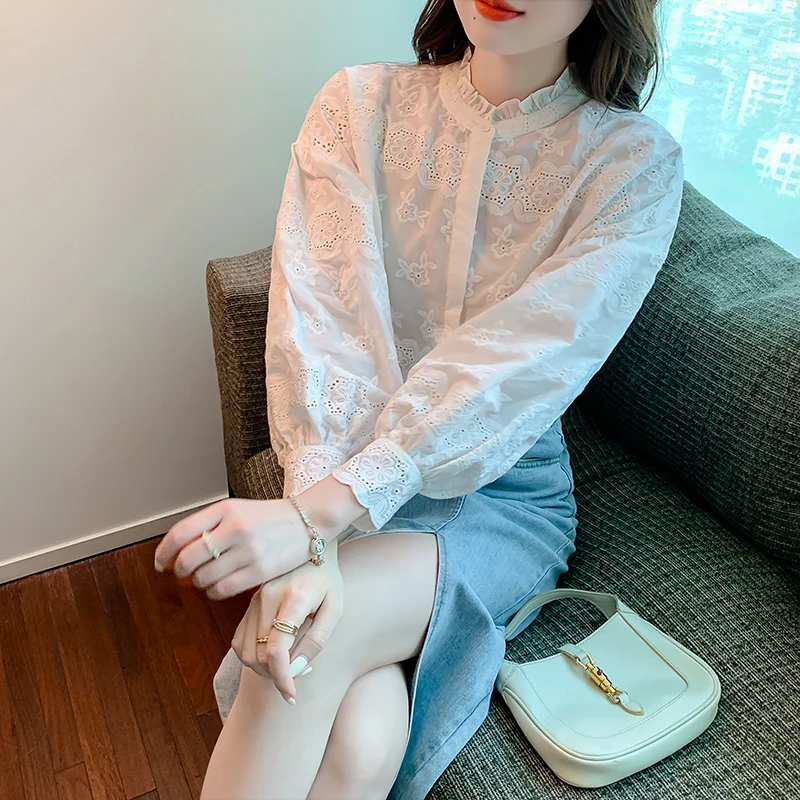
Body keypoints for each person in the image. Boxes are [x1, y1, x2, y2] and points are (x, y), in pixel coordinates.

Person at [154, 1, 684, 798]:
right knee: (360, 746)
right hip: (345, 452)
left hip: (500, 497)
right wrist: (318, 516)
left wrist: (315, 526)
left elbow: (517, 365)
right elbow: (318, 322)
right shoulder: (357, 104)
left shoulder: (632, 165)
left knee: (297, 642)